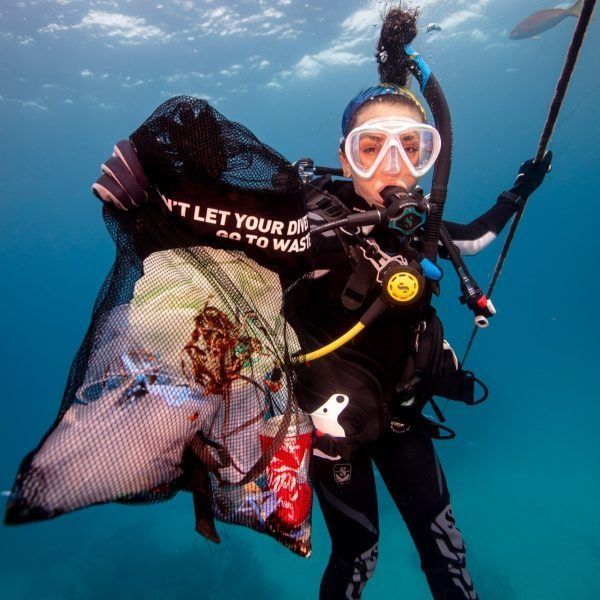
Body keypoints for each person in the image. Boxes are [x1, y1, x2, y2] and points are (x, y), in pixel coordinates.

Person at [91, 9, 551, 599]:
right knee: (359, 554)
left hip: (406, 414)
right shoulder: (304, 228)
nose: (393, 167)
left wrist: (518, 191)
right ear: (345, 154)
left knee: (445, 543)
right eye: (371, 148)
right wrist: (145, 204)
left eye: (412, 148)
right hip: (334, 437)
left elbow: (479, 235)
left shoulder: (425, 229)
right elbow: (220, 231)